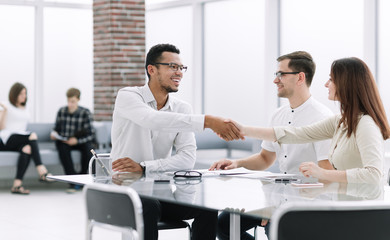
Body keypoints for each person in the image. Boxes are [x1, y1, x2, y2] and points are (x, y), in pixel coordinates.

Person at [110, 43, 242, 240]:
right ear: (152, 70)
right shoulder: (128, 96)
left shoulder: (182, 108)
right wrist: (207, 121)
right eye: (172, 66)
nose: (179, 72)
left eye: (181, 68)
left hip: (161, 194)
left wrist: (145, 167)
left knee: (206, 208)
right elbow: (152, 119)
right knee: (149, 206)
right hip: (125, 193)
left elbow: (187, 158)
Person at [209, 51, 334, 240]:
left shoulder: (323, 118)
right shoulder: (278, 115)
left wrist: (279, 208)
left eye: (281, 74)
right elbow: (265, 158)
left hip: (306, 203)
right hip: (277, 198)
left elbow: (327, 176)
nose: (276, 80)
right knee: (223, 224)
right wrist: (237, 163)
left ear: (300, 77)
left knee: (276, 230)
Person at [233, 56, 389, 184]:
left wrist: (321, 173)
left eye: (331, 79)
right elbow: (296, 134)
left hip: (361, 214)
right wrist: (244, 130)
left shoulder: (366, 124)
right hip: (344, 206)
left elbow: (374, 174)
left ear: (346, 84)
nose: (326, 84)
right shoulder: (340, 122)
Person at [0, 82, 53, 194]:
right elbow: (1, 127)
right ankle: (41, 169)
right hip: (7, 138)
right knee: (32, 135)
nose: (24, 96)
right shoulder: (6, 105)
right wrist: (4, 111)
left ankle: (17, 185)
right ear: (14, 95)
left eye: (25, 93)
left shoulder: (26, 108)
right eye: (21, 94)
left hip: (20, 138)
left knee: (27, 149)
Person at [51, 88, 94, 192]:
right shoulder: (61, 111)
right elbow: (56, 129)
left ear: (78, 100)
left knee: (88, 148)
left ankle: (82, 178)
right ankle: (73, 181)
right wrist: (54, 134)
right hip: (64, 141)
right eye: (68, 101)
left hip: (79, 141)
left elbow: (91, 135)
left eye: (73, 101)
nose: (70, 104)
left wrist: (77, 141)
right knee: (62, 148)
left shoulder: (85, 113)